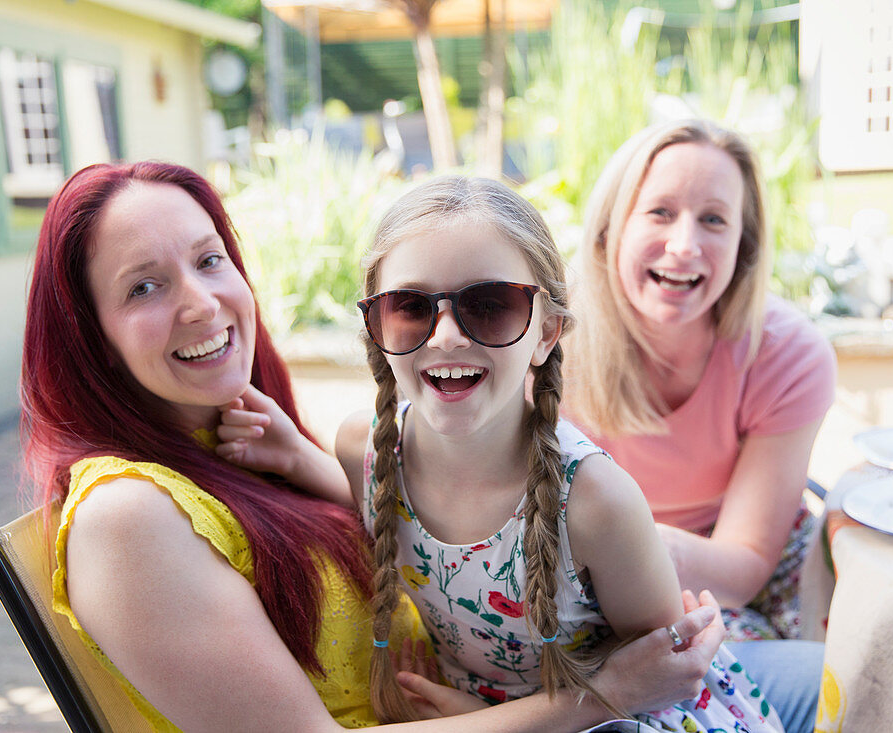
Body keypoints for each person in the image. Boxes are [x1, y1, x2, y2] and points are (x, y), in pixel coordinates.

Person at [20, 160, 726, 733]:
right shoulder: (125, 519)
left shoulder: (247, 446)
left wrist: (302, 461)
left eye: (211, 259)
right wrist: (597, 697)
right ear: (93, 342)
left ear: (547, 330)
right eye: (143, 285)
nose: (202, 303)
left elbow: (414, 526)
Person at [224, 176, 783, 732]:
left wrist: (497, 722)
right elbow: (373, 502)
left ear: (547, 333)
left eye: (490, 306)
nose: (445, 336)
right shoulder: (364, 449)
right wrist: (295, 455)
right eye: (411, 306)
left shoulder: (593, 501)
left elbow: (659, 679)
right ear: (376, 328)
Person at [563, 120, 834, 725]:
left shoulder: (786, 352)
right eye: (659, 212)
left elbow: (742, 567)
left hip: (738, 571)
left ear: (744, 245)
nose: (685, 245)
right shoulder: (547, 346)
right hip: (599, 592)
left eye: (714, 219)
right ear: (612, 229)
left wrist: (635, 546)